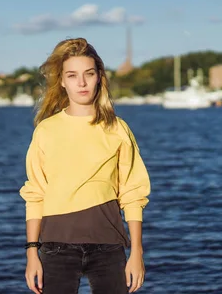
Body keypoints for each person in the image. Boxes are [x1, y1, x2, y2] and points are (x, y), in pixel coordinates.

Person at [19, 37, 151, 294]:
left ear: (99, 77)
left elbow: (133, 193)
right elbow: (35, 194)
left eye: (88, 74)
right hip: (56, 247)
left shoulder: (117, 128)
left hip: (108, 244)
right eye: (72, 75)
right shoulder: (46, 130)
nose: (81, 83)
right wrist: (31, 254)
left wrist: (137, 252)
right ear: (62, 81)